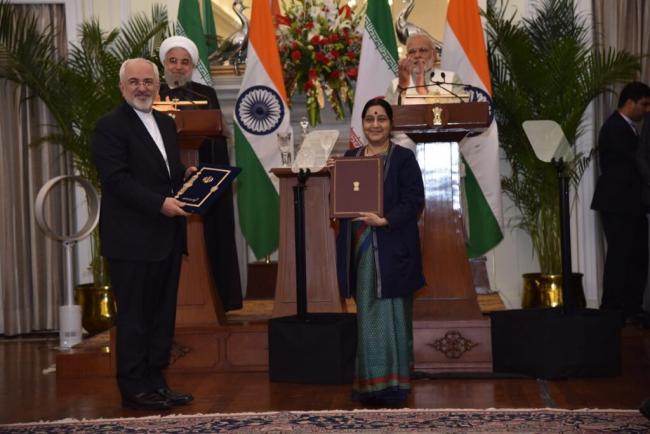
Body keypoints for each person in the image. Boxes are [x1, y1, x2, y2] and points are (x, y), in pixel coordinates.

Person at [91, 58, 195, 410]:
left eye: (148, 81)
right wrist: (159, 204)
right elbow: (117, 180)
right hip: (131, 241)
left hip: (166, 238)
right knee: (135, 318)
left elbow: (167, 173)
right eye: (134, 82)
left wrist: (187, 176)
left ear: (157, 86)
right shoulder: (109, 126)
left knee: (161, 318)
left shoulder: (166, 123)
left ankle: (156, 382)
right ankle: (134, 388)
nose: (142, 88)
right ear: (122, 87)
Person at [335, 98, 425, 405]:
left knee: (395, 313)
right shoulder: (350, 157)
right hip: (360, 248)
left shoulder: (403, 159)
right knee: (367, 314)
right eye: (369, 119)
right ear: (363, 124)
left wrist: (385, 220)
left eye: (381, 118)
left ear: (390, 124)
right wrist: (336, 177)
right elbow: (341, 198)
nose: (375, 124)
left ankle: (395, 385)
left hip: (393, 248)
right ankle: (369, 383)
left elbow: (414, 200)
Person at [158, 35, 243, 311]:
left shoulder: (205, 95)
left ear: (192, 67)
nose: (178, 67)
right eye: (173, 61)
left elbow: (217, 135)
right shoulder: (154, 93)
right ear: (164, 64)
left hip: (199, 173)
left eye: (185, 62)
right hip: (162, 181)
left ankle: (216, 300)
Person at [591, 81, 650, 326]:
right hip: (617, 204)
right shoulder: (614, 127)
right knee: (620, 256)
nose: (646, 110)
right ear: (630, 102)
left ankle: (632, 308)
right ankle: (612, 310)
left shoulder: (630, 128)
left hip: (633, 204)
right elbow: (635, 161)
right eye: (644, 104)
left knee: (638, 256)